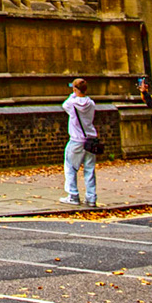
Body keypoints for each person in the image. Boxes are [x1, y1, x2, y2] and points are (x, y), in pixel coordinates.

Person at [61, 77, 100, 207]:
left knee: (70, 168)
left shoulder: (71, 103)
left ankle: (73, 195)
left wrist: (73, 93)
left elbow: (64, 105)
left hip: (76, 140)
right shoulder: (91, 103)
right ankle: (91, 197)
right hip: (90, 140)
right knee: (89, 169)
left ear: (75, 89)